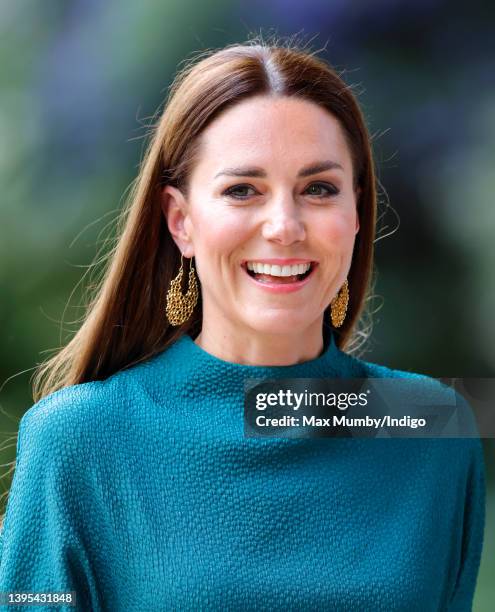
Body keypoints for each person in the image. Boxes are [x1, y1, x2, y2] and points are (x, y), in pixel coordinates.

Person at [0, 38, 485, 611]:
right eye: (242, 190)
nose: (284, 226)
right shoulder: (78, 441)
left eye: (318, 189)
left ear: (356, 212)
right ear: (180, 221)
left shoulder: (433, 429)